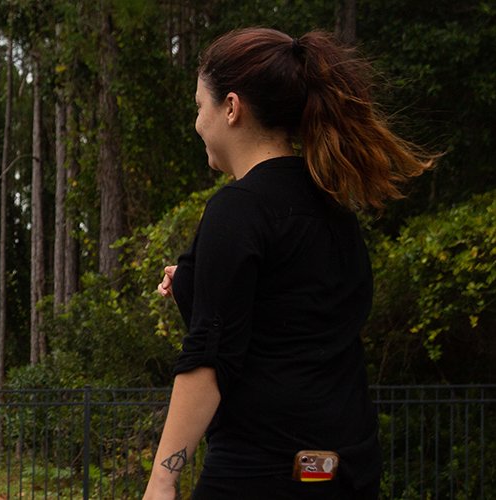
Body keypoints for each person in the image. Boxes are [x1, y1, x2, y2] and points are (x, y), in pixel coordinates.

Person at [142, 29, 435, 500]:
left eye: (200, 106)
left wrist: (162, 480)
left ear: (232, 108)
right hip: (345, 469)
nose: (197, 121)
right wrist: (198, 284)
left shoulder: (237, 209)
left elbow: (211, 358)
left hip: (261, 471)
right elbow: (296, 318)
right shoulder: (333, 206)